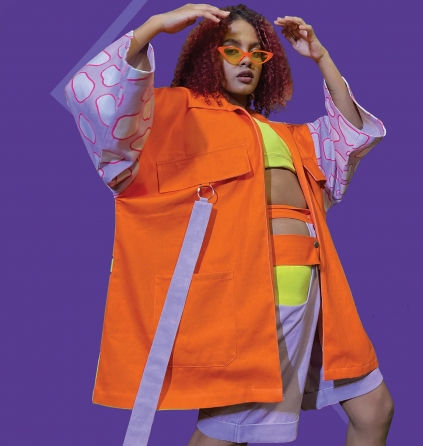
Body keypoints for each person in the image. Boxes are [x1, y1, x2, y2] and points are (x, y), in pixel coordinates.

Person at [65, 3, 394, 445]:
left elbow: (351, 138)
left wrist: (322, 58)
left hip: (319, 295)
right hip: (250, 300)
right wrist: (153, 26)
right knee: (227, 433)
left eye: (257, 52)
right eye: (232, 49)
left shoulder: (287, 135)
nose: (246, 60)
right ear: (208, 56)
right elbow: (101, 105)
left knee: (374, 410)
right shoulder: (171, 115)